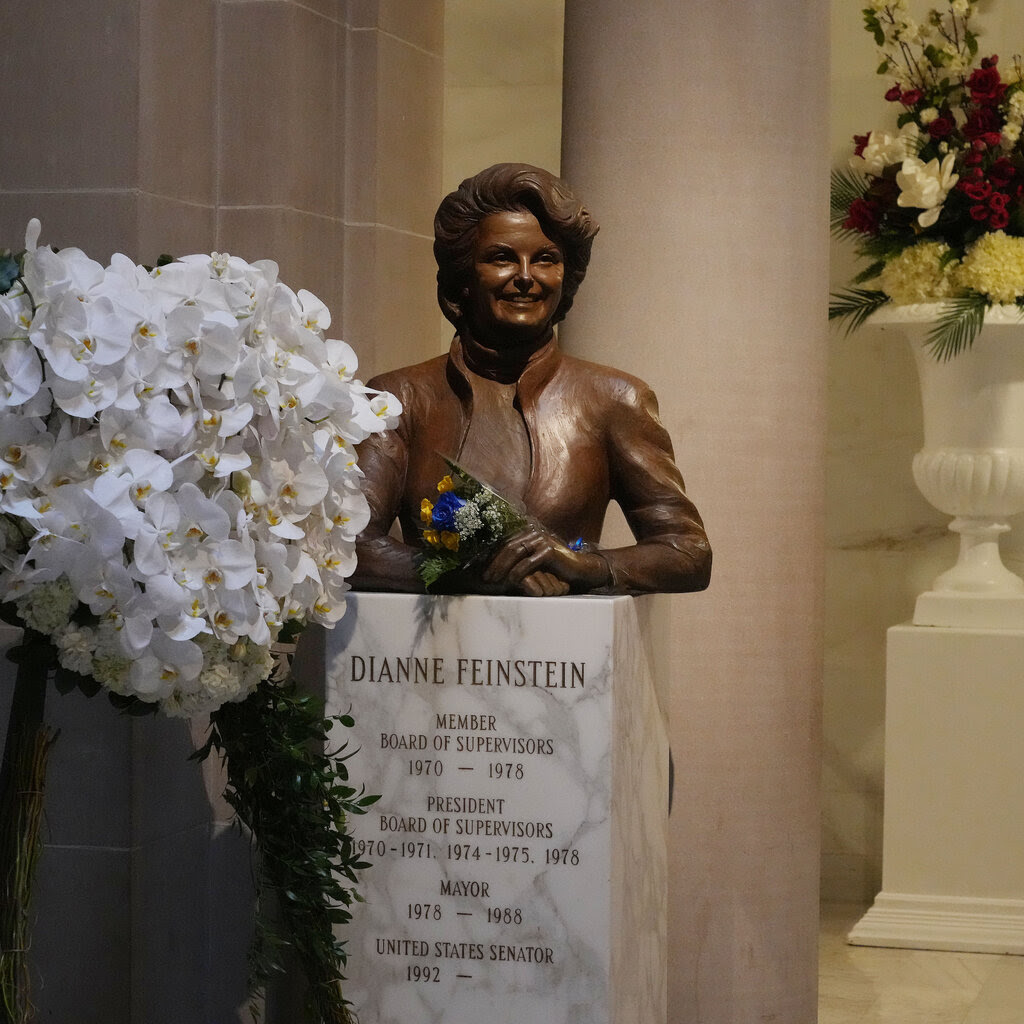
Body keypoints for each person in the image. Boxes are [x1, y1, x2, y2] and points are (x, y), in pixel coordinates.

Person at [351, 163, 711, 597]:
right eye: (502, 257)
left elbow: (688, 551)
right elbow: (350, 543)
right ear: (463, 278)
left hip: (567, 655)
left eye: (545, 259)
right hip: (426, 657)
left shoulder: (614, 399)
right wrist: (467, 576)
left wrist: (587, 565)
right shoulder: (399, 398)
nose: (525, 276)